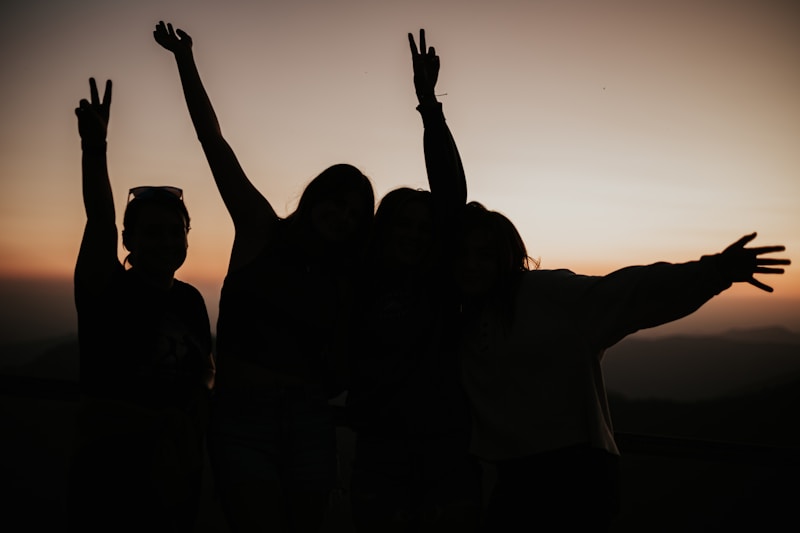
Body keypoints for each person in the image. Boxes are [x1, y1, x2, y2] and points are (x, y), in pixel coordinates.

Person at [154, 21, 375, 533]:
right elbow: (215, 143)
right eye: (337, 203)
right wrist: (184, 60)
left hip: (310, 419)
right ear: (316, 196)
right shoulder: (260, 229)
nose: (341, 217)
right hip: (242, 416)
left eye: (354, 215)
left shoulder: (344, 276)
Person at [454, 201, 790, 531]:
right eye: (462, 254)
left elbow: (628, 291)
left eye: (484, 255)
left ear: (506, 258)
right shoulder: (457, 317)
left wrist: (713, 271)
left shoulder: (544, 295)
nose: (471, 265)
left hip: (574, 478)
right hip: (514, 481)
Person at [345, 30, 482, 532]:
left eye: (424, 229)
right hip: (382, 450)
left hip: (447, 446)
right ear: (383, 229)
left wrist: (429, 105)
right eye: (403, 224)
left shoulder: (441, 284)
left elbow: (451, 191)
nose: (414, 234)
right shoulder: (362, 282)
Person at [68, 77, 215, 533]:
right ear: (129, 239)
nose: (167, 242)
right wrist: (96, 150)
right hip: (112, 468)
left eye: (176, 232)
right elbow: (99, 219)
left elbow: (203, 376)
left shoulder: (190, 300)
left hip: (175, 470)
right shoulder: (106, 287)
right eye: (152, 233)